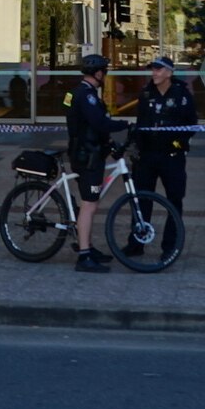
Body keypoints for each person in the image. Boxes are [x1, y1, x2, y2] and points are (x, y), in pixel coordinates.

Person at [124, 55, 195, 259]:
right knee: (141, 200)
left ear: (169, 73)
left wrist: (177, 142)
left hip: (172, 156)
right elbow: (141, 122)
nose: (154, 73)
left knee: (174, 201)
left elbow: (191, 124)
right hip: (147, 156)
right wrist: (135, 146)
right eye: (153, 69)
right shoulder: (146, 93)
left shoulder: (182, 94)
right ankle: (136, 243)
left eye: (159, 69)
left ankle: (170, 246)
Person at [64, 53, 129, 273]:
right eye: (104, 71)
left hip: (89, 153)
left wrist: (109, 144)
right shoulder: (87, 96)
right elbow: (99, 122)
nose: (105, 75)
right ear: (99, 73)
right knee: (89, 205)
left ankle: (88, 247)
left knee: (90, 204)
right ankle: (84, 256)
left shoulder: (80, 92)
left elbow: (88, 127)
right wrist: (123, 124)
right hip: (87, 157)